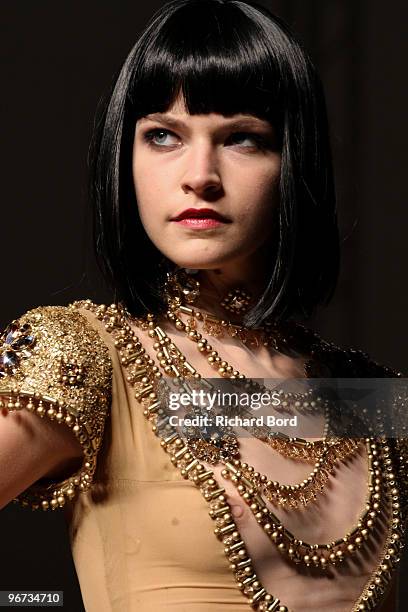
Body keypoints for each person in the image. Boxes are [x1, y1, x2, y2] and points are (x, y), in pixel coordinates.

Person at [0, 1, 406, 610]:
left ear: (295, 162)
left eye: (242, 137)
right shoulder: (82, 353)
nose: (200, 175)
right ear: (124, 156)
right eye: (163, 136)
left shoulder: (371, 396)